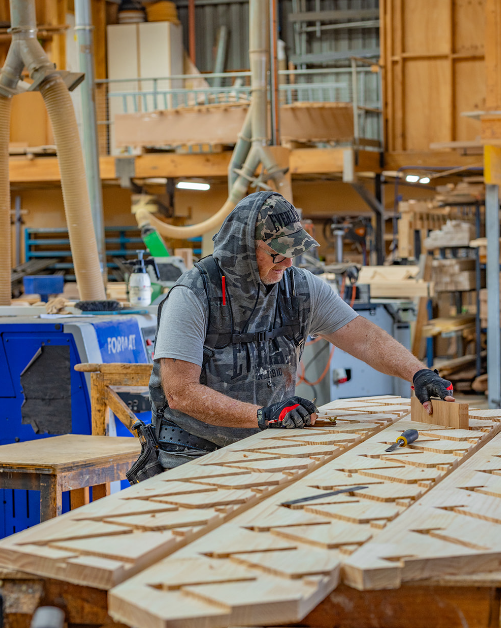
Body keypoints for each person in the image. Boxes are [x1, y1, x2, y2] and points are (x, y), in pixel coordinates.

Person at [148, 191, 454, 470]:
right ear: (241, 250)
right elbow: (180, 393)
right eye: (277, 253)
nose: (289, 261)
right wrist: (263, 416)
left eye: (293, 251)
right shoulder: (193, 294)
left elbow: (364, 337)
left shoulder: (299, 287)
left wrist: (418, 373)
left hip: (267, 443)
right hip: (193, 454)